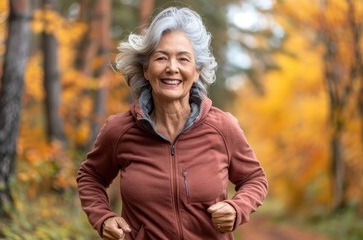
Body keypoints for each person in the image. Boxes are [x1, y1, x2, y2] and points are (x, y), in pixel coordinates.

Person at [77, 6, 268, 240]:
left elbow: (254, 179)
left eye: (183, 59)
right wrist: (103, 217)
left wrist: (237, 208)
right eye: (161, 57)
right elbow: (90, 176)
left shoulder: (222, 127)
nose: (172, 68)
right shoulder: (120, 130)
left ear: (197, 71)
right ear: (146, 69)